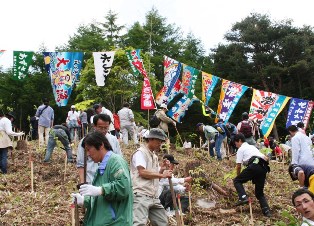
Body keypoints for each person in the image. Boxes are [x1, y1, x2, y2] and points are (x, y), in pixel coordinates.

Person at [72, 131, 133, 226]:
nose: (87, 154)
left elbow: (124, 187)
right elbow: (100, 197)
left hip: (115, 222)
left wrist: (101, 189)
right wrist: (85, 200)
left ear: (101, 145)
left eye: (89, 149)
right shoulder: (101, 167)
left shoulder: (116, 162)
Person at [131, 128, 172, 226]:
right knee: (139, 224)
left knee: (162, 222)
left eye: (161, 141)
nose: (160, 144)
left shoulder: (154, 156)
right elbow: (142, 172)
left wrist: (161, 169)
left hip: (153, 196)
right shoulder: (140, 153)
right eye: (158, 141)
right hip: (141, 194)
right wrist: (162, 174)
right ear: (150, 139)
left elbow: (155, 176)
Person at [233, 133, 271, 217]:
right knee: (259, 193)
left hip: (254, 165)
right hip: (263, 167)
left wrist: (238, 177)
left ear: (239, 141)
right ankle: (267, 212)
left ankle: (243, 197)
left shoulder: (241, 149)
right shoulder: (252, 147)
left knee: (236, 181)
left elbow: (238, 166)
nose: (236, 145)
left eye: (236, 143)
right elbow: (265, 158)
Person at [77, 114, 122, 184]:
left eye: (106, 128)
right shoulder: (85, 141)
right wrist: (82, 182)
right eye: (100, 128)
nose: (103, 130)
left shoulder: (113, 140)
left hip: (109, 181)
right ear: (94, 126)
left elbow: (119, 159)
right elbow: (81, 164)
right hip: (91, 179)